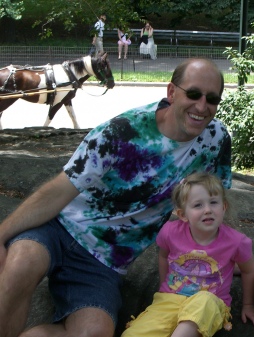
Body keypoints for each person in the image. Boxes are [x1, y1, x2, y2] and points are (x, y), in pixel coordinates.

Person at [0, 58, 231, 337]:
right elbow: (61, 188)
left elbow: (215, 198)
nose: (202, 106)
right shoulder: (122, 131)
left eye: (212, 99)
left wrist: (227, 252)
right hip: (57, 227)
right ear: (171, 92)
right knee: (20, 265)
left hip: (105, 259)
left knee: (94, 332)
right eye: (193, 94)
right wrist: (2, 234)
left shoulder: (215, 139)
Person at [121, 172, 254, 337]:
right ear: (183, 214)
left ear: (223, 207)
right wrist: (163, 288)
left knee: (203, 302)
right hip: (170, 300)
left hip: (208, 303)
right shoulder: (170, 232)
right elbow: (164, 256)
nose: (207, 210)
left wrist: (248, 305)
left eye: (213, 202)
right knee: (132, 334)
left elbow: (249, 270)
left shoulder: (236, 242)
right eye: (198, 205)